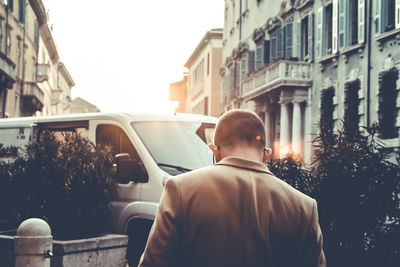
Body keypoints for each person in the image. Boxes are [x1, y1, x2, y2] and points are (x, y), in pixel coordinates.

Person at [138, 109, 326, 267]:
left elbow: (153, 263)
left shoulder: (179, 189)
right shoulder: (304, 207)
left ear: (215, 151)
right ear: (266, 154)